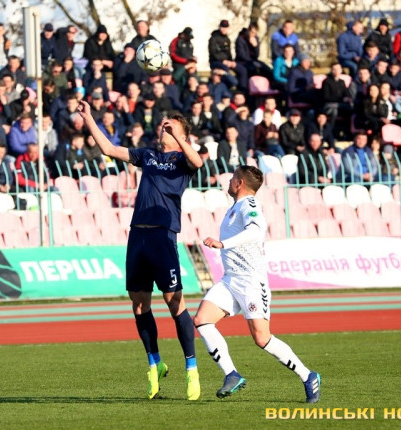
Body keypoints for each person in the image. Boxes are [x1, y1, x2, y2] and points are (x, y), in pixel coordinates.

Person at [77, 99, 203, 401]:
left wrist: (180, 137)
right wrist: (89, 118)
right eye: (163, 126)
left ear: (182, 135)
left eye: (170, 128)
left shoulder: (183, 161)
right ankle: (154, 364)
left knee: (175, 302)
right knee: (138, 305)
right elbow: (109, 149)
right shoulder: (147, 155)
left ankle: (191, 368)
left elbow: (198, 163)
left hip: (163, 236)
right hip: (138, 236)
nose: (164, 129)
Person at [193, 165, 321, 401]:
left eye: (233, 178)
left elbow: (256, 230)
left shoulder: (249, 205)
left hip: (251, 280)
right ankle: (231, 374)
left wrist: (223, 244)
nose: (229, 181)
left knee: (262, 338)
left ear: (239, 183)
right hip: (231, 278)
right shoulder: (235, 207)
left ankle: (308, 375)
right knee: (202, 320)